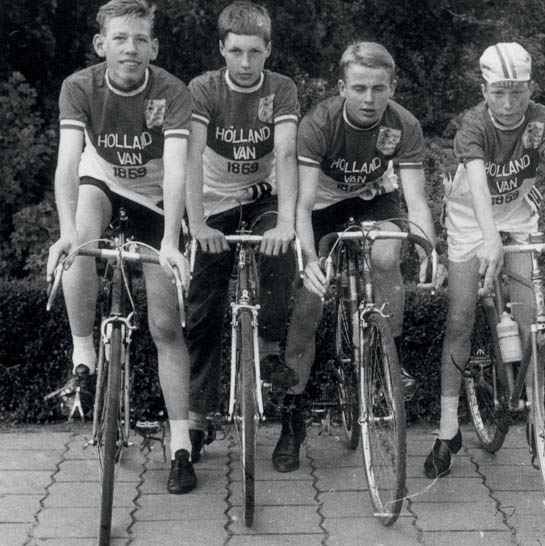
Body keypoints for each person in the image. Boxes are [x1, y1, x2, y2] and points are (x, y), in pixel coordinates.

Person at [426, 42, 545, 479]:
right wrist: (490, 240)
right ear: (483, 89)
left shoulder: (540, 118)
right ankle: (448, 427)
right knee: (461, 318)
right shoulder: (472, 126)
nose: (509, 104)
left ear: (530, 88)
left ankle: (535, 417)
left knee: (531, 317)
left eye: (519, 93)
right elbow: (478, 184)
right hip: (473, 216)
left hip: (518, 212)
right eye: (498, 93)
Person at [45, 0, 196, 494]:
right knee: (81, 242)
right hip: (102, 181)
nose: (130, 48)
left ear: (153, 46)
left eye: (139, 40)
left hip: (156, 199)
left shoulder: (172, 90)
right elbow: (68, 163)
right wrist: (66, 230)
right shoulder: (79, 86)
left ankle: (179, 446)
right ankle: (83, 357)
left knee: (165, 326)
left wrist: (172, 241)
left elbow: (176, 170)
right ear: (101, 45)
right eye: (120, 38)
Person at [276, 42, 437, 473]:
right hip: (323, 206)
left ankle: (390, 358)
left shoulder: (403, 124)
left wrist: (427, 246)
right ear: (342, 87)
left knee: (388, 256)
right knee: (309, 305)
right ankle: (292, 418)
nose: (369, 99)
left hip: (372, 200)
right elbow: (303, 205)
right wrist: (309, 260)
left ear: (392, 87)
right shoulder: (320, 124)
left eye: (379, 89)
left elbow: (416, 201)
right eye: (360, 88)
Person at [183, 1, 299, 463]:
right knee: (205, 303)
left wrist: (287, 221)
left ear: (268, 49)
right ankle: (195, 417)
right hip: (214, 200)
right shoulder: (204, 89)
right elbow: (190, 159)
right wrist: (197, 224)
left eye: (255, 52)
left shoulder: (282, 89)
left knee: (281, 251)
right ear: (222, 50)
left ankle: (269, 346)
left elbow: (287, 155)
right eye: (236, 52)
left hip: (264, 196)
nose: (246, 63)